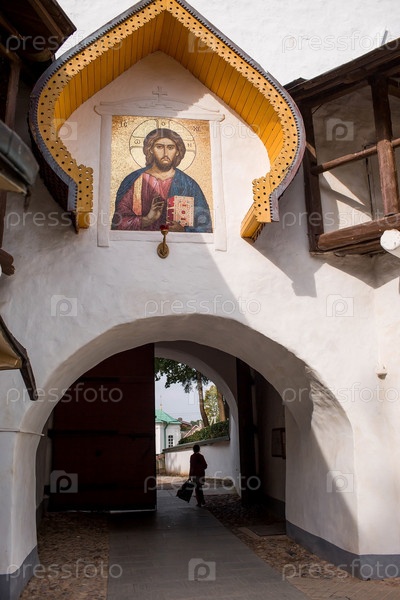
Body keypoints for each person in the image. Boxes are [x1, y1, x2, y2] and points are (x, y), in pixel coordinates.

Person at [111, 128, 212, 232]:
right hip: (139, 241)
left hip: (177, 242)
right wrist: (147, 219)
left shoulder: (189, 185)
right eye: (159, 147)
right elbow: (118, 222)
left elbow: (204, 225)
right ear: (150, 149)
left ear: (177, 151)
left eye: (170, 147)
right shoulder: (134, 180)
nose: (165, 153)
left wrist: (183, 231)